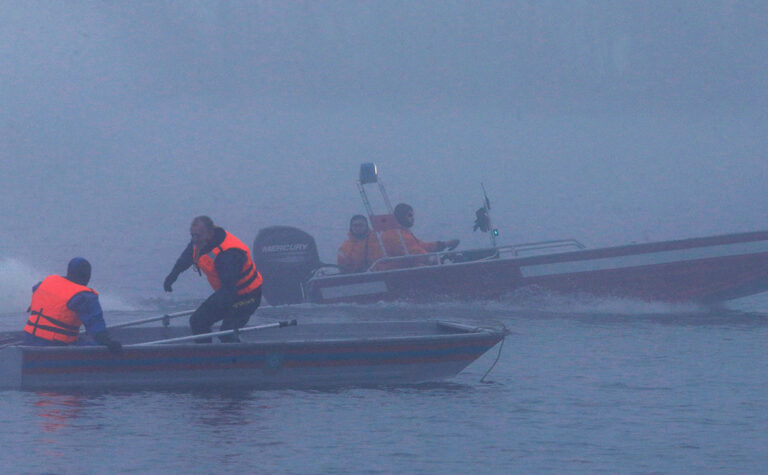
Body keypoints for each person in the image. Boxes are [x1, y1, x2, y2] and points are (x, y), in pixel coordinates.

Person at [163, 216, 263, 343]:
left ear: (210, 233)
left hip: (247, 297)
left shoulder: (229, 254)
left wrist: (214, 307)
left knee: (226, 333)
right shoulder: (199, 241)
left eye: (197, 236)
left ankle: (238, 359)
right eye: (192, 235)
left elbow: (229, 290)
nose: (194, 239)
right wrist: (172, 276)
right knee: (197, 321)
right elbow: (187, 257)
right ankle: (206, 357)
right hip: (228, 293)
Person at [24, 257, 122, 353]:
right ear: (88, 275)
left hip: (29, 337)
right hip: (56, 344)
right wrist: (107, 342)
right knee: (98, 349)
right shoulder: (84, 296)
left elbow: (36, 289)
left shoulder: (46, 282)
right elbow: (95, 324)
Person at [377, 203, 460, 270]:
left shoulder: (404, 233)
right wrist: (436, 260)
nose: (413, 218)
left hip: (407, 268)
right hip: (397, 274)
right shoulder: (393, 234)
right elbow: (412, 252)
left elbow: (421, 246)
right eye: (410, 215)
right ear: (401, 216)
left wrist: (444, 244)